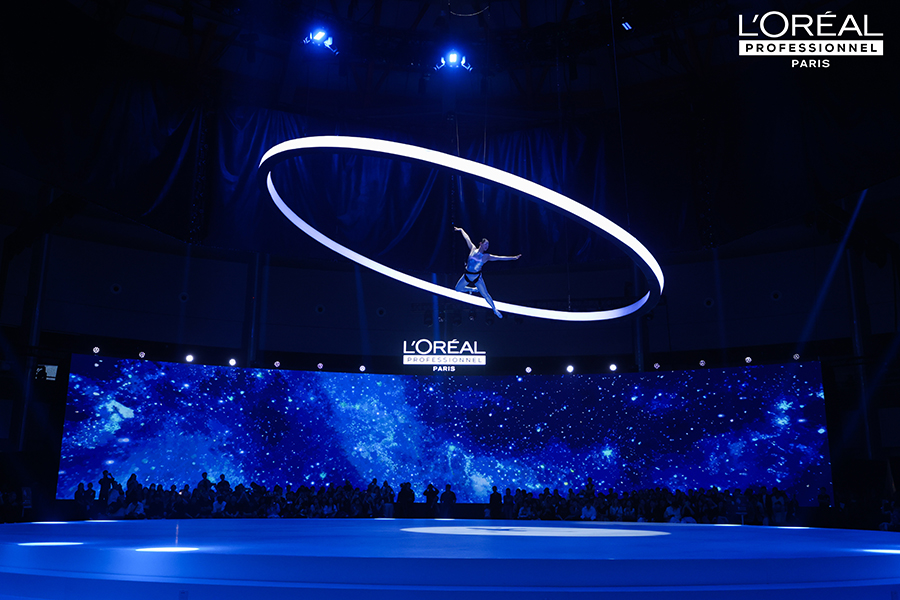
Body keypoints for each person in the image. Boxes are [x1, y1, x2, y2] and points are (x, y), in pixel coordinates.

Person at [453, 227, 520, 318]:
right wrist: (461, 230)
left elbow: (499, 258)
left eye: (488, 245)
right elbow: (467, 238)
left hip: (477, 278)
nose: (487, 246)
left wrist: (513, 258)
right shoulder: (472, 248)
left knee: (485, 294)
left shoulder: (486, 256)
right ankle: (473, 289)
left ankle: (494, 309)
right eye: (486, 244)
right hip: (467, 275)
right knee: (457, 289)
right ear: (481, 243)